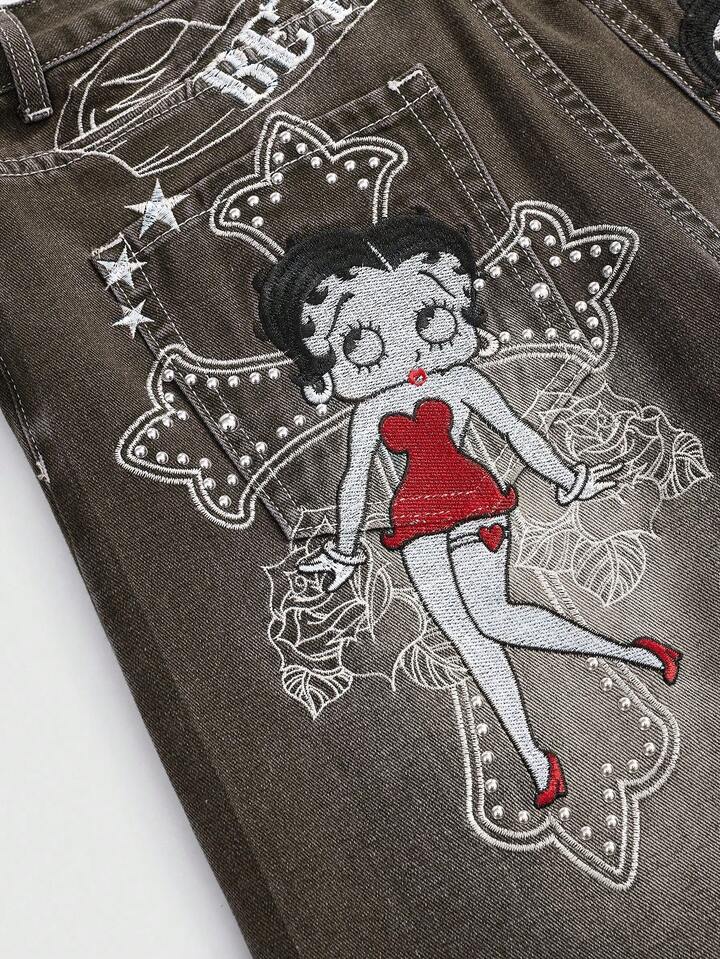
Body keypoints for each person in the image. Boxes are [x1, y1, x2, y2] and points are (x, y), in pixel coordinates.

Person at [255, 211, 681, 808]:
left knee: (495, 618)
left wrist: (569, 476)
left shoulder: (462, 384)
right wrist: (345, 550)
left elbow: (517, 434)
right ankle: (535, 760)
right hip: (416, 523)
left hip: (476, 505)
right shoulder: (370, 411)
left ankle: (633, 652)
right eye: (361, 342)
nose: (403, 350)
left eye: (430, 319)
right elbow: (355, 482)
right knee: (468, 640)